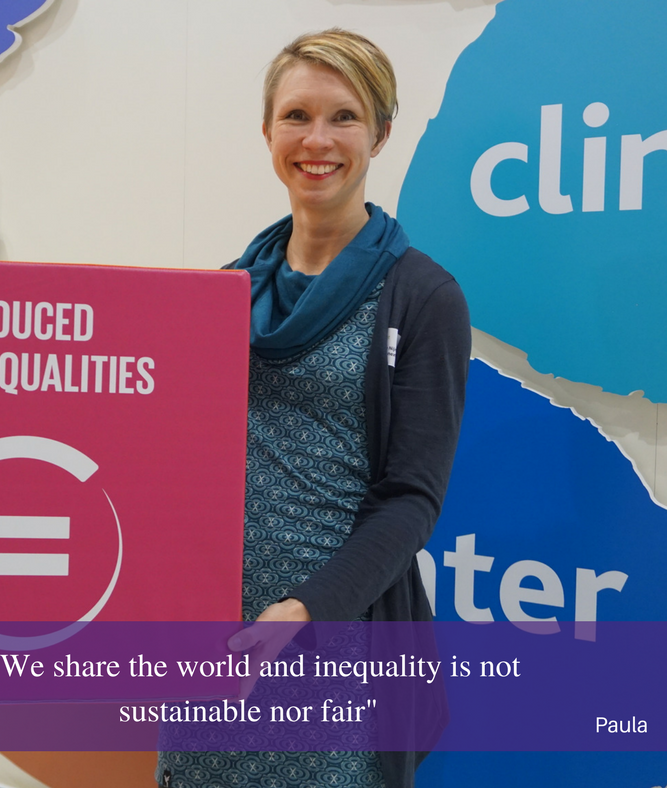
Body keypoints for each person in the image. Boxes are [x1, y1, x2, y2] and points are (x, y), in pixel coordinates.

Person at [157, 28, 470, 788]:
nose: (317, 140)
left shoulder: (423, 298)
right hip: (212, 644)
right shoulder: (222, 292)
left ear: (380, 134)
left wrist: (307, 611)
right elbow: (177, 464)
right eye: (296, 115)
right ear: (267, 131)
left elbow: (411, 499)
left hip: (336, 641)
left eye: (344, 117)